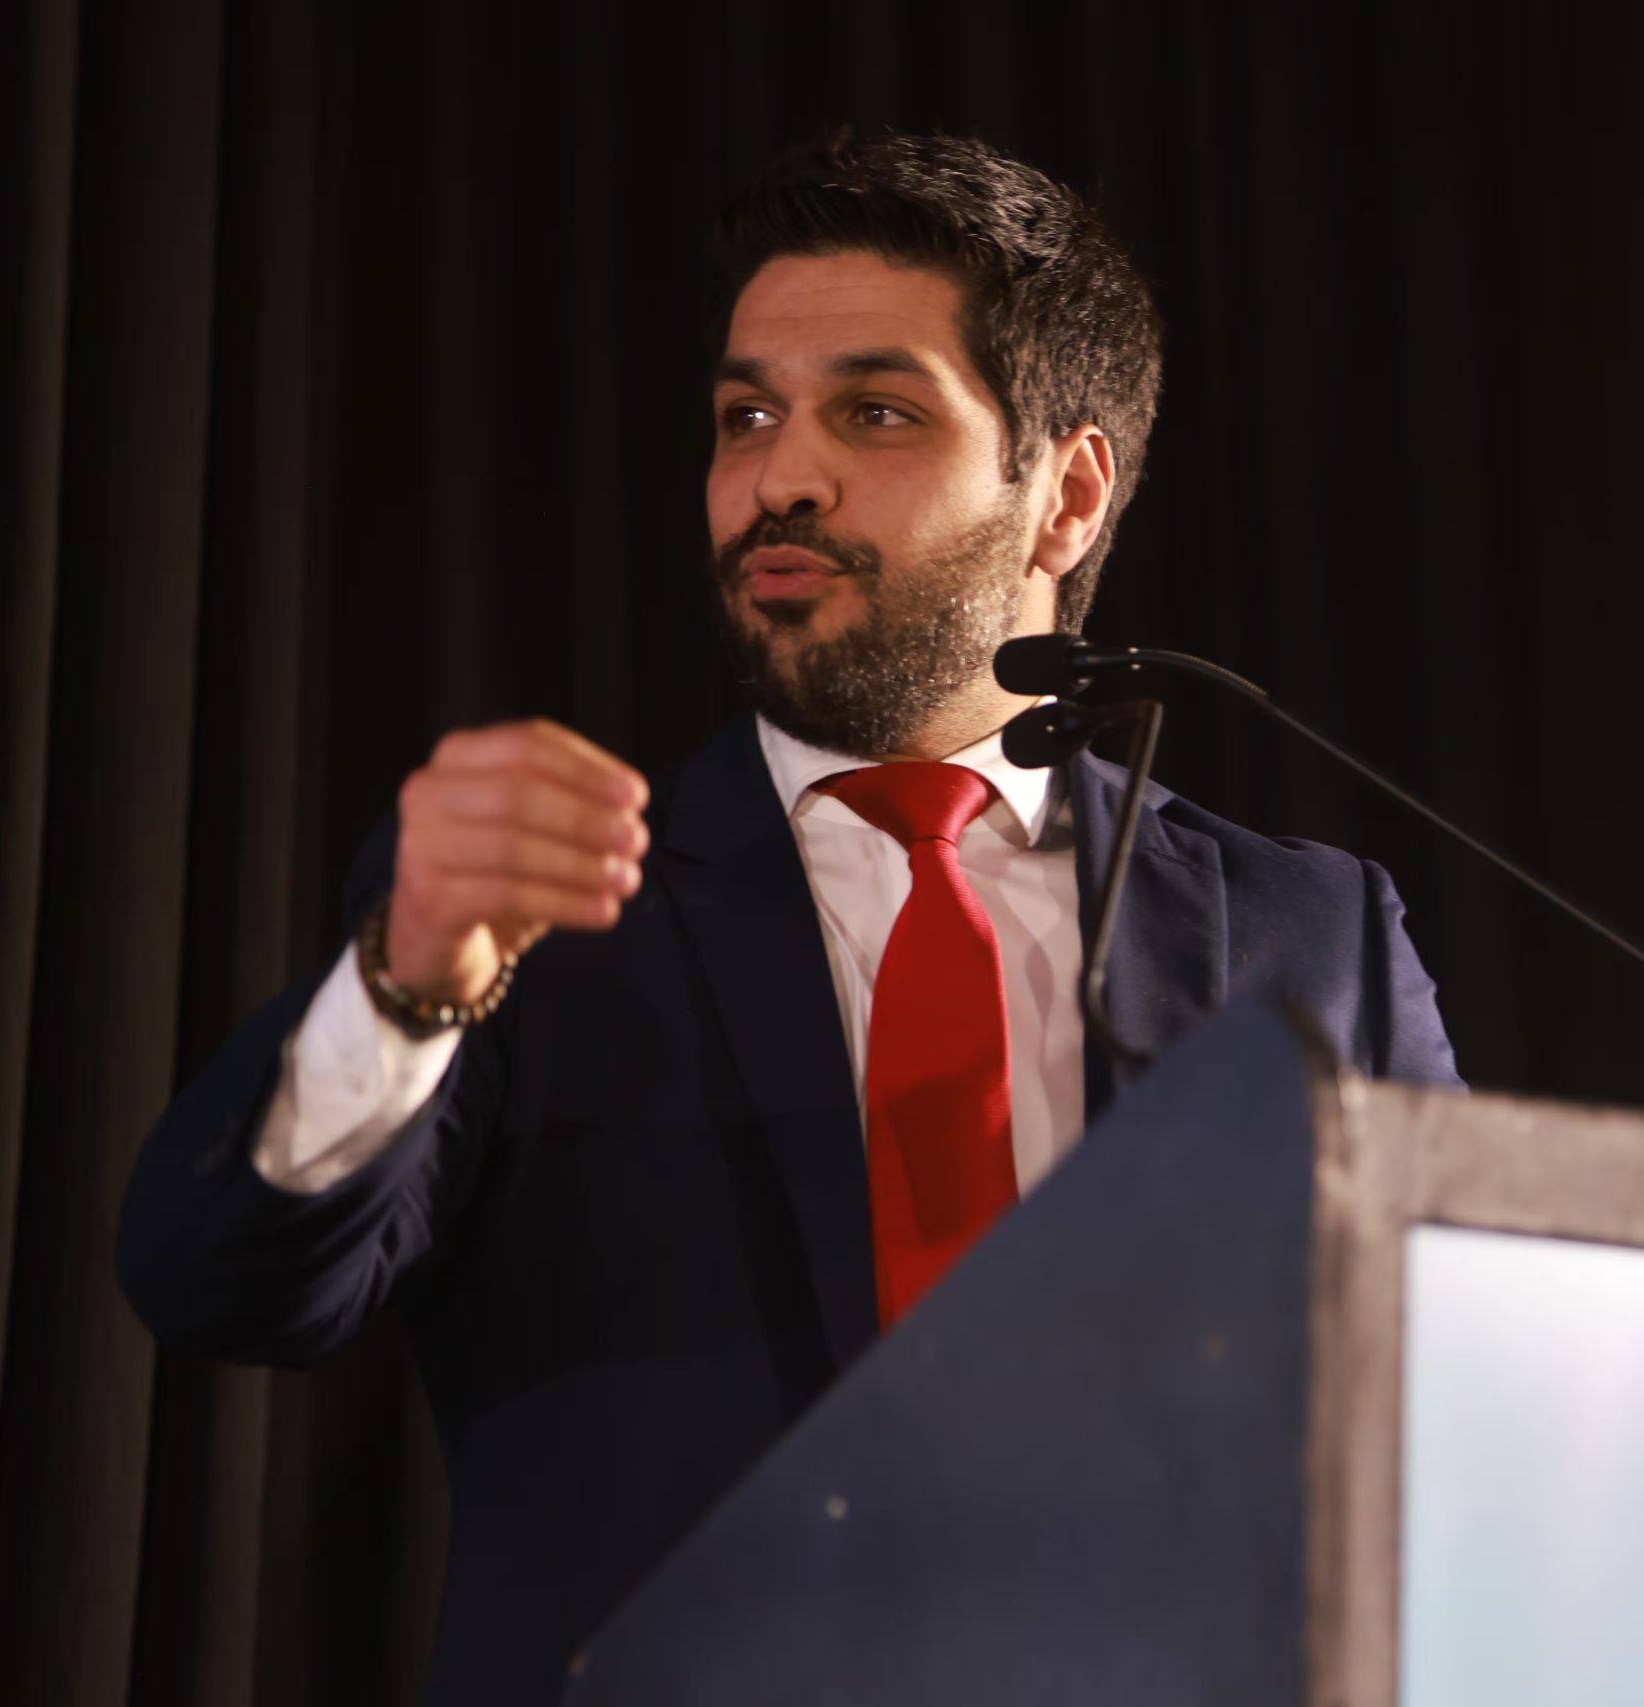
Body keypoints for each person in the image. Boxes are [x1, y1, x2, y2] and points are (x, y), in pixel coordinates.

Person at [118, 130, 1460, 1706]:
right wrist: (402, 994)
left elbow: (1457, 1430)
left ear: (1068, 496)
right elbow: (226, 1283)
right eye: (746, 414)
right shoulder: (537, 913)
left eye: (873, 413)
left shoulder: (1313, 936)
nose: (779, 477)